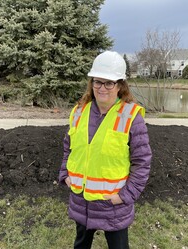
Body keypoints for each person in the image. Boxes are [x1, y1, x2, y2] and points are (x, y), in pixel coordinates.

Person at [59, 51, 152, 249]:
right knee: (81, 245)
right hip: (81, 200)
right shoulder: (79, 111)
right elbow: (69, 146)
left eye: (109, 83)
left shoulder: (131, 116)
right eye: (98, 82)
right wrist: (65, 173)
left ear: (119, 86)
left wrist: (125, 196)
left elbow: (142, 162)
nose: (102, 88)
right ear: (91, 83)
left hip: (113, 205)